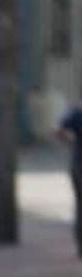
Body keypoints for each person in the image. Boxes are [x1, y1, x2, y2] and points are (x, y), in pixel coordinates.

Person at [55, 103, 82, 259]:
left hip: (78, 166)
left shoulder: (76, 113)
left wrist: (71, 143)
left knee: (80, 207)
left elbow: (59, 132)